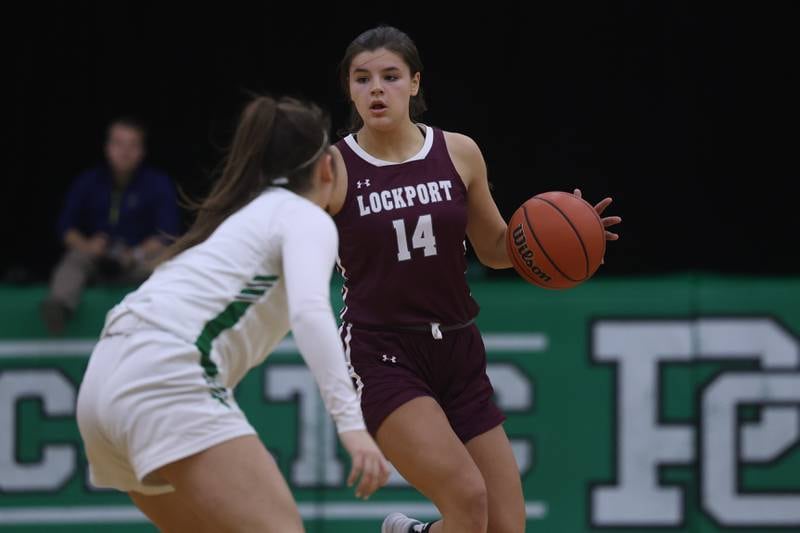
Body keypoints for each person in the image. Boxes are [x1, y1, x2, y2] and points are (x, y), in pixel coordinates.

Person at [328, 26, 621, 533]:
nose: (377, 89)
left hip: (457, 349)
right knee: (467, 500)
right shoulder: (333, 168)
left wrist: (566, 236)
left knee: (506, 527)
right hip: (383, 352)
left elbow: (496, 247)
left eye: (391, 76)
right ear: (350, 90)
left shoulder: (458, 152)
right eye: (362, 78)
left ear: (415, 83)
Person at [76, 95, 391, 533]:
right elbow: (310, 312)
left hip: (102, 384)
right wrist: (351, 425)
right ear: (325, 168)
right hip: (165, 376)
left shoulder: (235, 218)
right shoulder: (304, 216)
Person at [40, 117, 180, 335]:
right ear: (107, 147)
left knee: (167, 261)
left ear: (142, 151)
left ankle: (168, 316)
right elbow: (66, 228)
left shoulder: (158, 183)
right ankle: (60, 307)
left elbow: (168, 232)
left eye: (132, 145)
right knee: (74, 259)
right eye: (118, 144)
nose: (125, 152)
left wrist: (135, 253)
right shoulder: (88, 181)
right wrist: (88, 246)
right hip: (97, 259)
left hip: (136, 261)